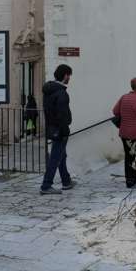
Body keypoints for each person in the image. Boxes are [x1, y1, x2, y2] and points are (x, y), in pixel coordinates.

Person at [40, 64, 74, 195]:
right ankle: (46, 185)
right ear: (65, 75)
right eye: (69, 75)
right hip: (60, 129)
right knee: (55, 157)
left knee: (61, 155)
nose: (69, 78)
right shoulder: (61, 93)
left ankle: (66, 181)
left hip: (52, 127)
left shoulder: (49, 90)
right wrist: (65, 131)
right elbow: (62, 115)